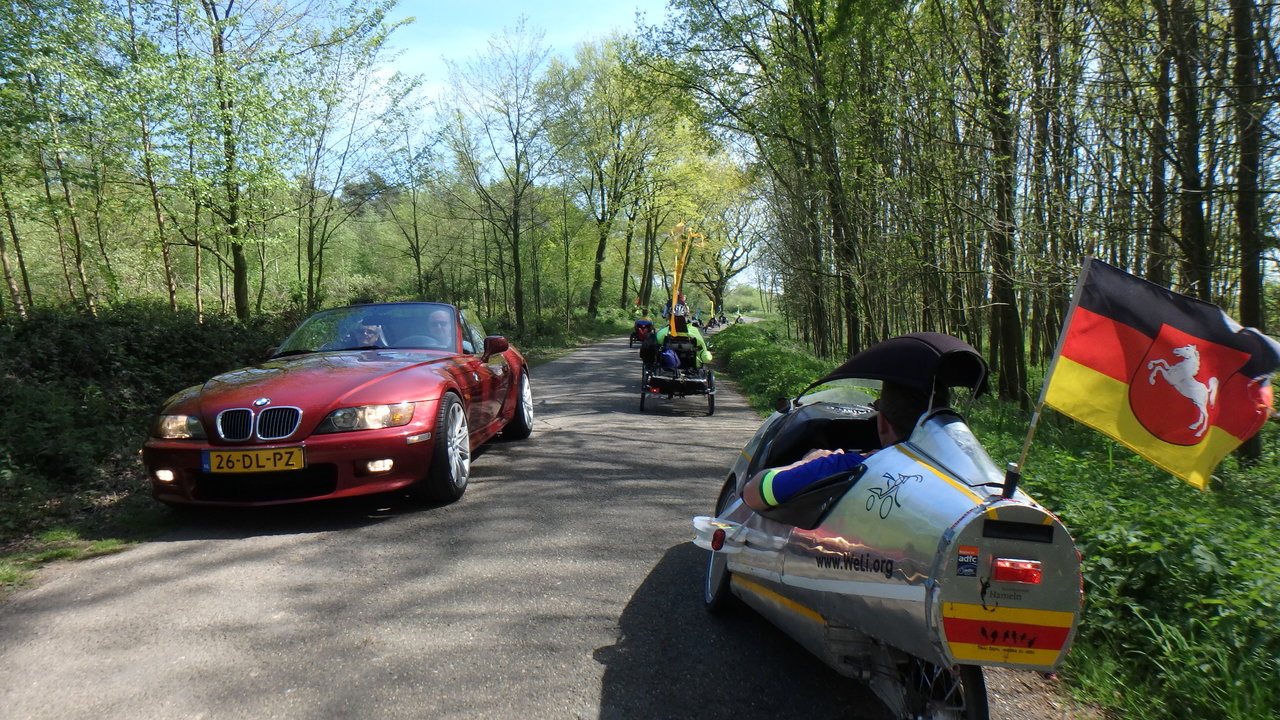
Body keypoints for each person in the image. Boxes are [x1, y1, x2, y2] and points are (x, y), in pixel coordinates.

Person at [741, 381, 946, 511]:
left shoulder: (846, 465)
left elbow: (753, 492)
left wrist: (805, 463)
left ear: (882, 422)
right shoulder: (959, 480)